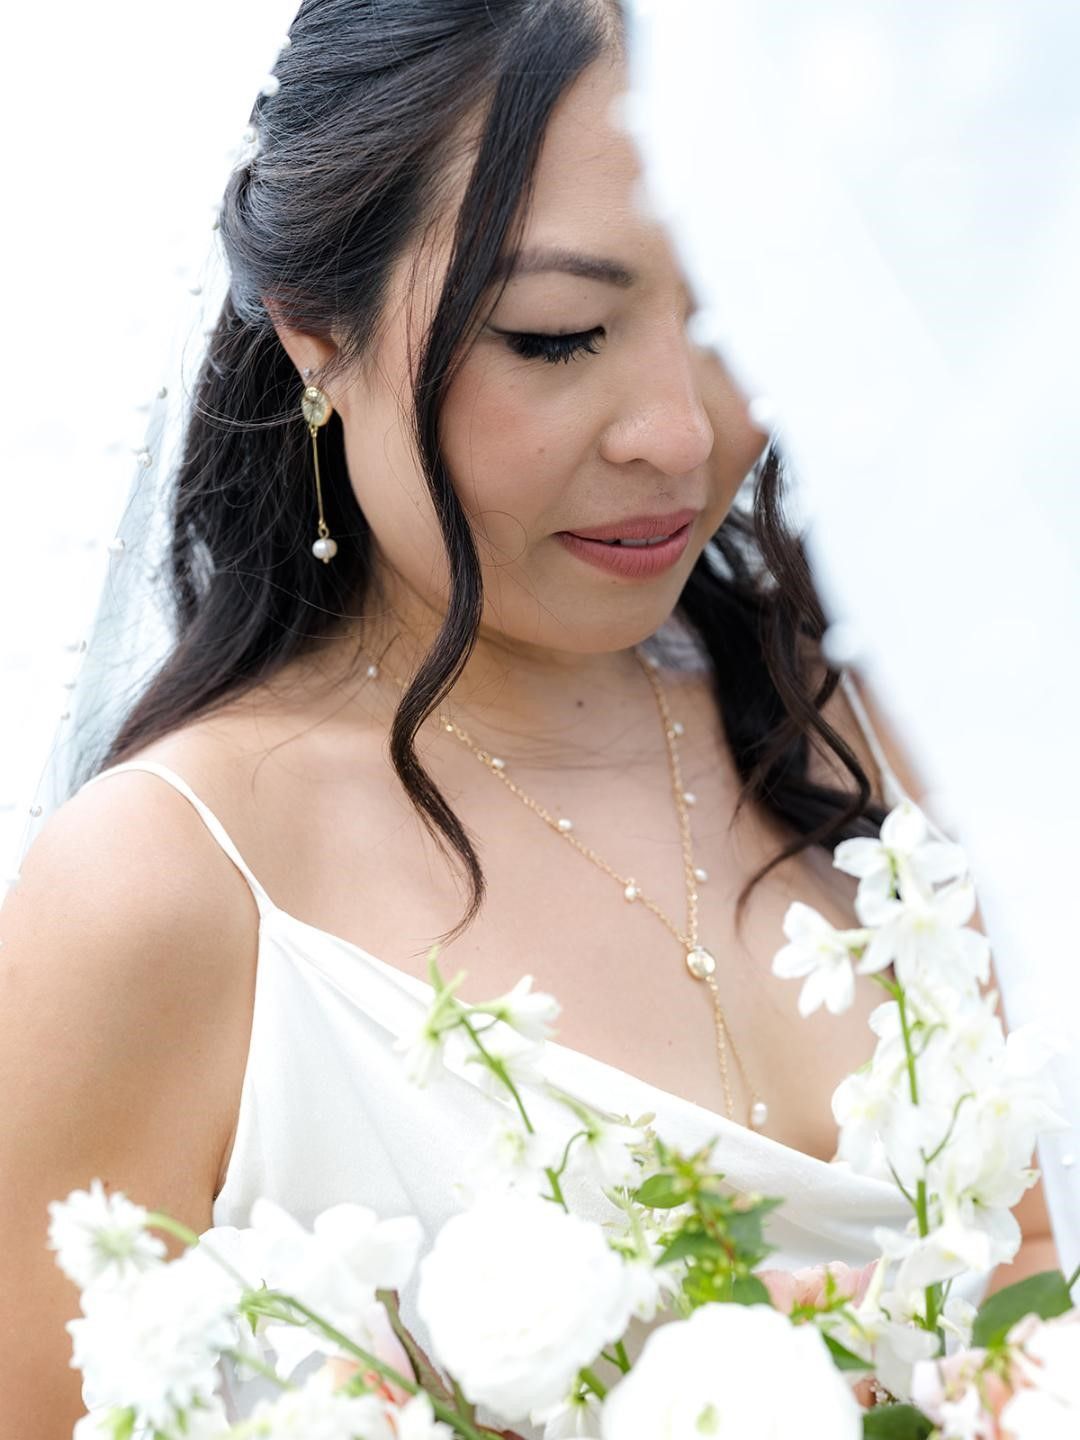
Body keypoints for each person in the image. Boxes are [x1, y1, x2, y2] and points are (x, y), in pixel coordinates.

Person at [0, 1, 1056, 1432]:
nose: (681, 434)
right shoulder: (165, 894)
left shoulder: (879, 735)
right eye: (558, 337)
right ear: (318, 327)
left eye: (740, 312)